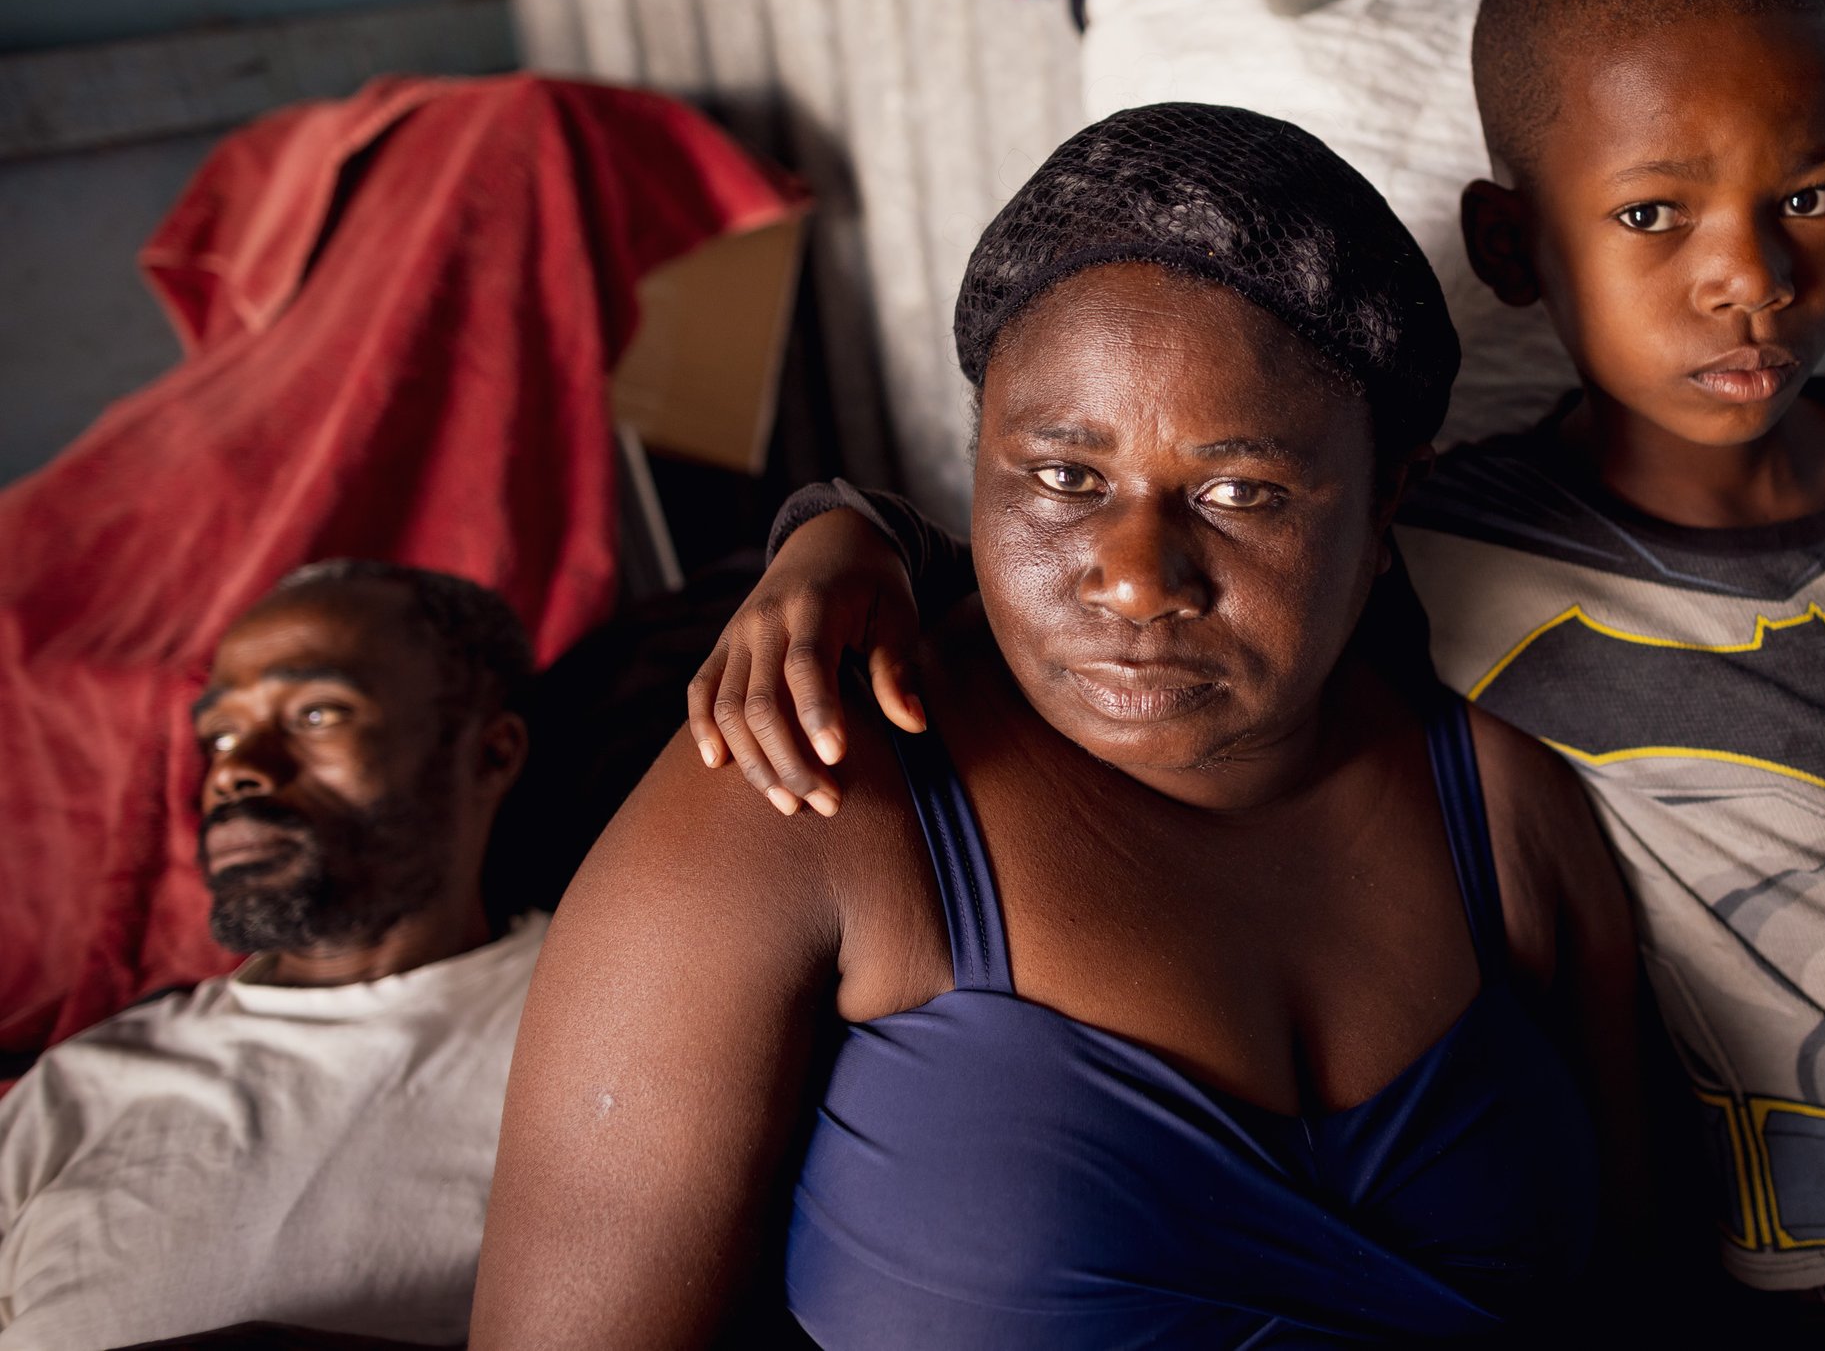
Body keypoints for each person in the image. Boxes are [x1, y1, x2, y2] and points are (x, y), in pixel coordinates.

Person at [700, 0, 1825, 1350]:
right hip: (1796, 1285)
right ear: (1510, 250)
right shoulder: (1451, 541)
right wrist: (841, 532)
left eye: (1804, 197)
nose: (1747, 277)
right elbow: (1123, 569)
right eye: (1652, 213)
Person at [471, 104, 1650, 1350]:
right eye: (1063, 479)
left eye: (1239, 492)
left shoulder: (1504, 812)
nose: (1138, 579)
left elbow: (1653, 1300)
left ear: (1387, 496)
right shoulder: (803, 795)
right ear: (974, 459)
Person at [0, 561, 544, 1349]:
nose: (236, 770)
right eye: (220, 733)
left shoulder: (595, 1012)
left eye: (317, 714)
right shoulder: (78, 1089)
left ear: (490, 755)